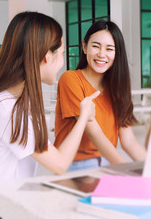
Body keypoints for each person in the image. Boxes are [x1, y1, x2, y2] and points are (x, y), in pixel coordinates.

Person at [0, 11, 99, 219]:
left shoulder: (16, 98)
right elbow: (59, 164)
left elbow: (48, 155)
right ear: (47, 57)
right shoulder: (7, 107)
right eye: (62, 53)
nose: (62, 62)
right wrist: (84, 116)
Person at [54, 20, 146, 171]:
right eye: (95, 46)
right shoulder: (70, 79)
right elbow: (94, 133)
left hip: (108, 163)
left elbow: (129, 141)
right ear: (84, 47)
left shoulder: (118, 89)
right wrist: (125, 169)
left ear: (117, 54)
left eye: (109, 49)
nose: (101, 54)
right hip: (76, 165)